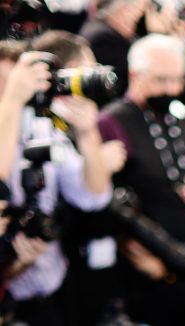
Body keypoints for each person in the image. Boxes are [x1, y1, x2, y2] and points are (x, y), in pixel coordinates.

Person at [0, 35, 123, 326]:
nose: (12, 95)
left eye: (18, 85)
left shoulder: (41, 126)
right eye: (5, 87)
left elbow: (93, 197)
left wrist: (87, 132)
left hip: (55, 291)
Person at [98, 33, 185, 326]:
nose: (172, 88)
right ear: (135, 75)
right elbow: (108, 202)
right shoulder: (112, 122)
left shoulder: (175, 115)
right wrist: (150, 262)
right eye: (162, 80)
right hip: (151, 271)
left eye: (178, 80)